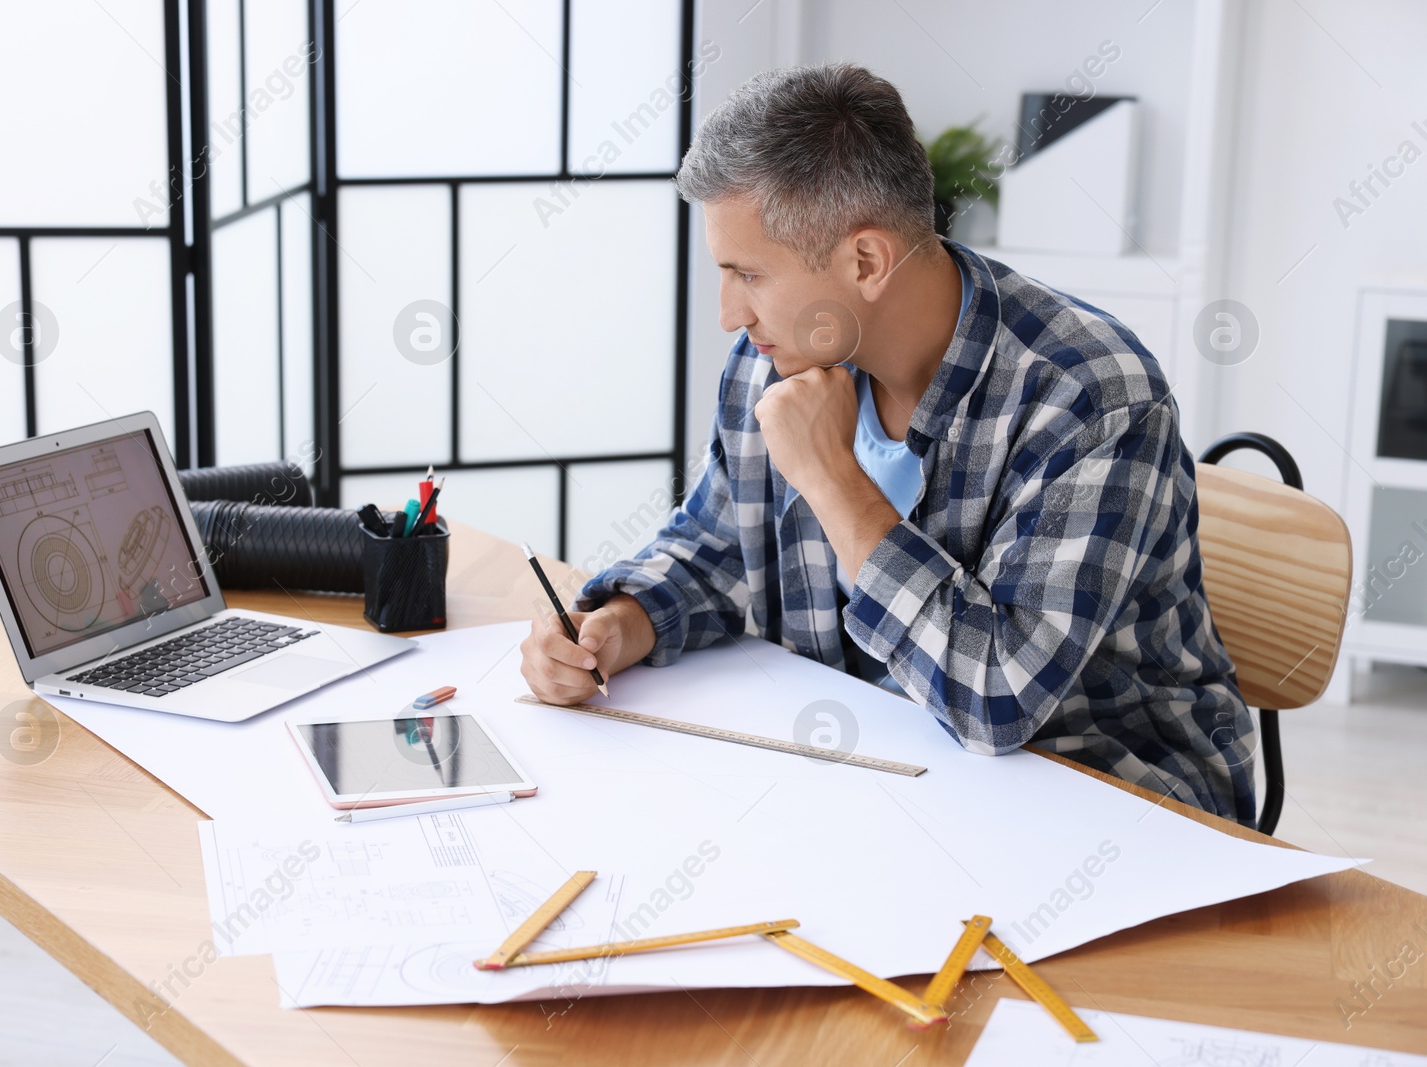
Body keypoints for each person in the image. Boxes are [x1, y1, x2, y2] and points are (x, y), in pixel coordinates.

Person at [518, 63, 1256, 825]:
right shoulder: (775, 359)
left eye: (749, 275)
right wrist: (615, 626)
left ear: (866, 262)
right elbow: (716, 550)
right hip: (882, 781)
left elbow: (997, 696)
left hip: (1112, 803)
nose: (728, 314)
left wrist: (835, 479)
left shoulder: (1091, 399)